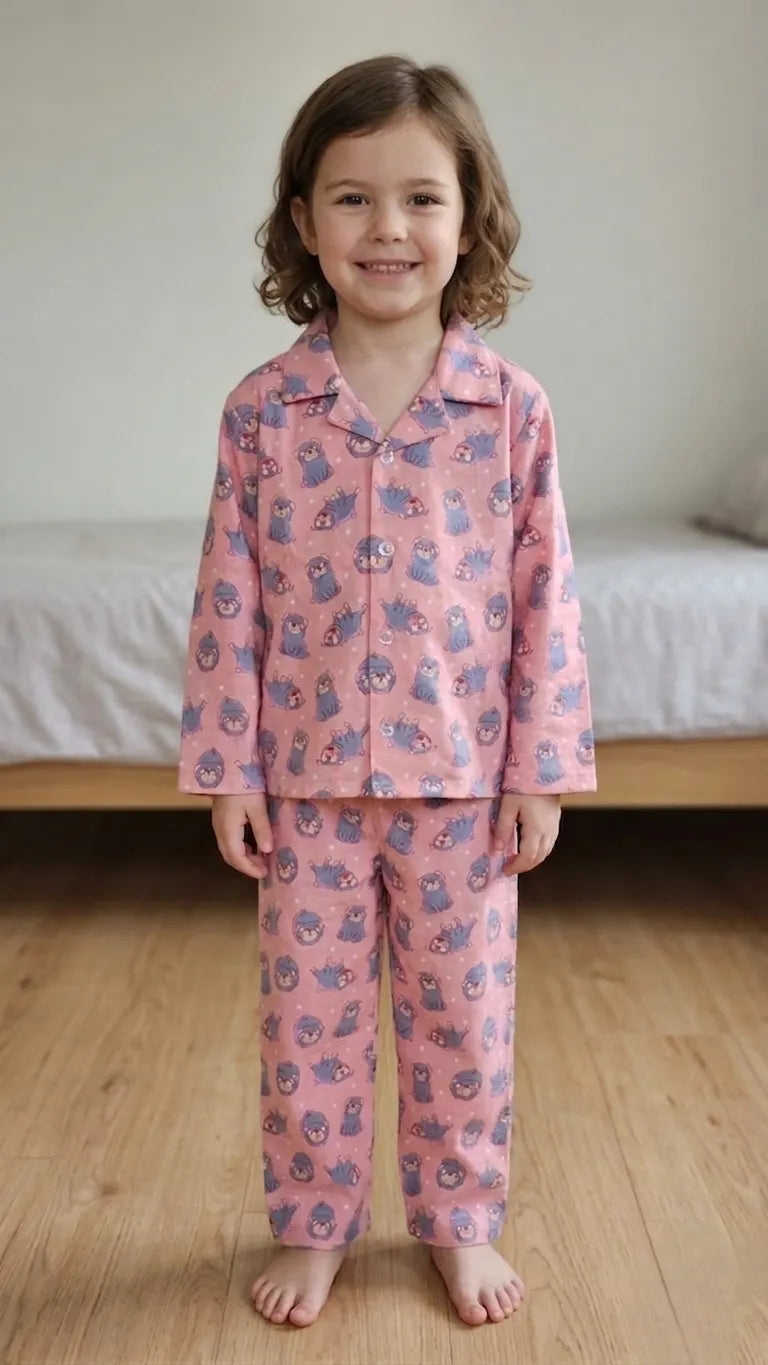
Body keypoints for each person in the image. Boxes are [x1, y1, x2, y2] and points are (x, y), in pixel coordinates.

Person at [178, 52, 596, 1330]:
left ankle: (462, 1224)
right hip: (307, 788)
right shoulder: (263, 414)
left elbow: (548, 599)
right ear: (304, 222)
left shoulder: (511, 411)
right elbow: (228, 601)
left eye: (421, 198)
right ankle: (313, 1225)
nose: (388, 228)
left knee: (462, 1024)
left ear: (469, 218)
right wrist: (230, 771)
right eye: (352, 198)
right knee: (307, 1028)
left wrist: (539, 771)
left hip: (461, 790)